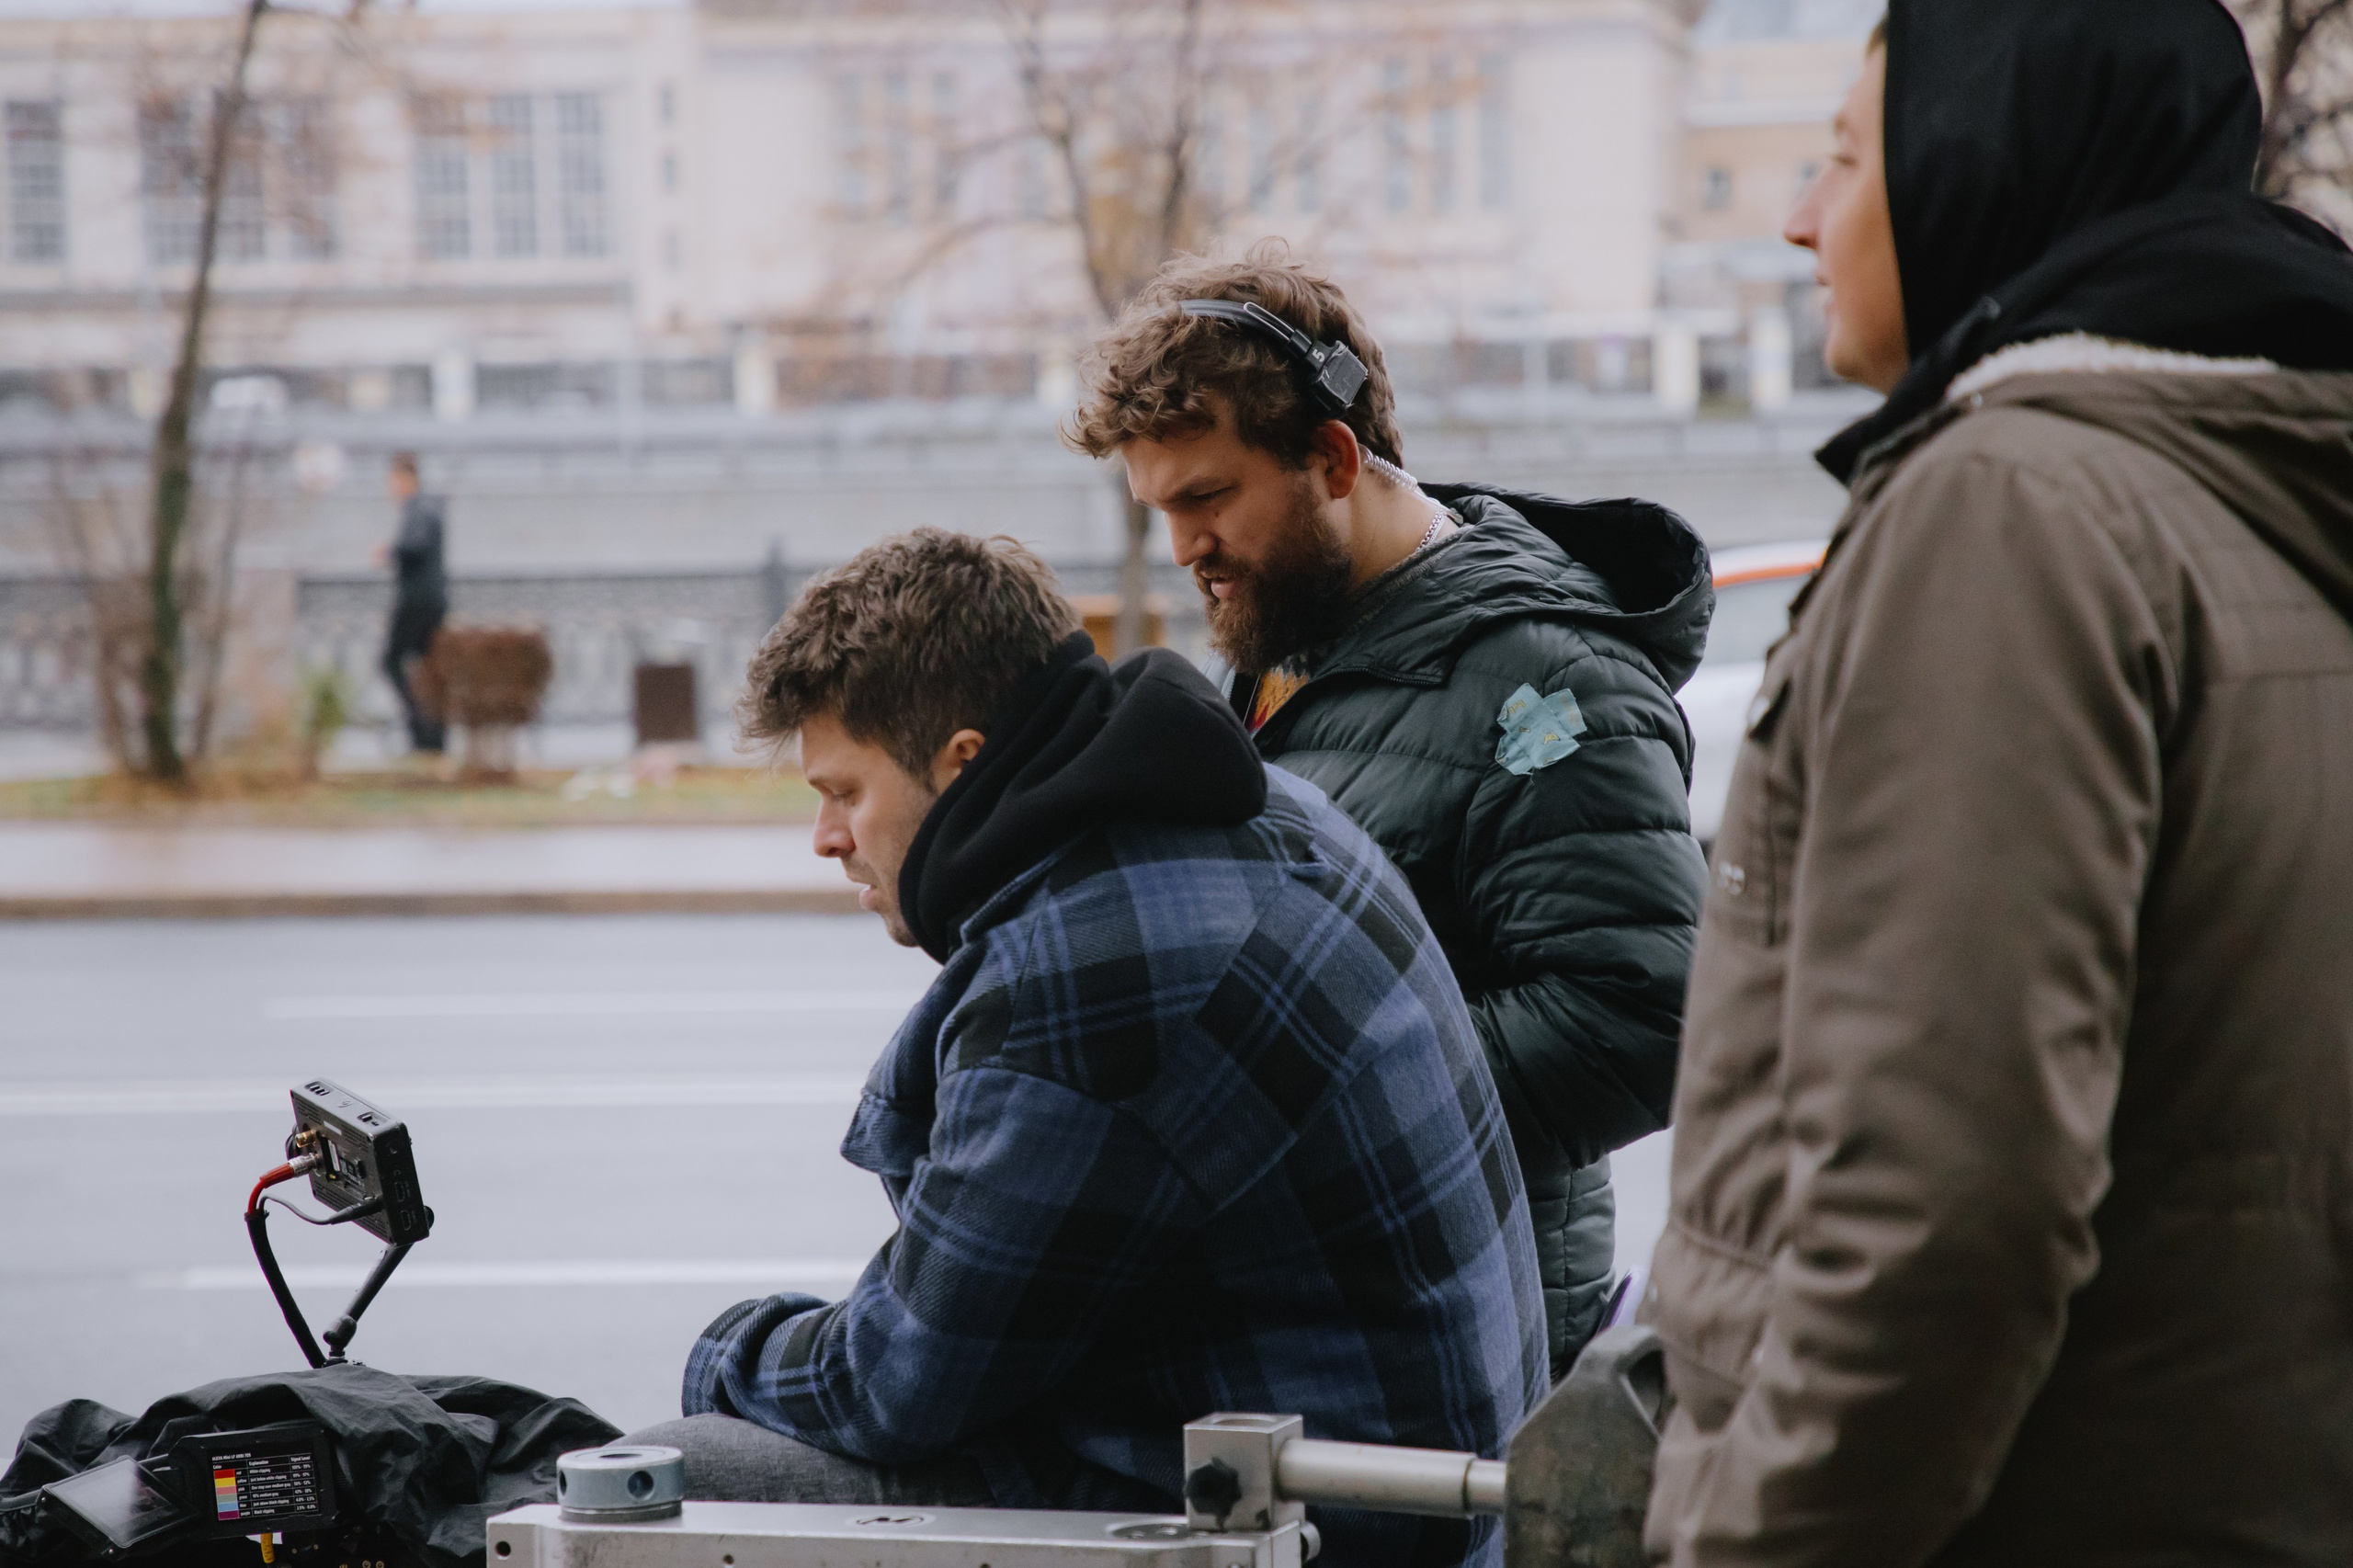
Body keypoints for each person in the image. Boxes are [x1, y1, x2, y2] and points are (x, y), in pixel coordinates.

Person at [1645, 3, 2353, 1562]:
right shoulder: (2254, 492)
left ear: (1977, 162)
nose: (1794, 218)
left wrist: (1757, 1537)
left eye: (1840, 156)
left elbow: (1941, 1209)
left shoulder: (2007, 512)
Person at [626, 530, 1547, 1568]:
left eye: (843, 791)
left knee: (656, 1483)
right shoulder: (1254, 805)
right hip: (1413, 1482)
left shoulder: (1083, 976)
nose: (826, 837)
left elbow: (896, 1382)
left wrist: (726, 1348)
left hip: (1324, 1525)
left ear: (961, 761)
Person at [1066, 252, 1712, 1378]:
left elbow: (1643, 1014)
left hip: (1461, 1343)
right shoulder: (1303, 628)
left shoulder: (1551, 679)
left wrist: (1303, 1120)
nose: (1182, 548)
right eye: (1159, 509)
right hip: (1342, 1314)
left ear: (1331, 457)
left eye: (1207, 496)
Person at [378, 450, 447, 756]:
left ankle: (422, 729)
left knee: (392, 661)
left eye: (393, 481)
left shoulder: (419, 507)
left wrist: (391, 552)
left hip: (418, 603)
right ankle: (429, 733)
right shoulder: (423, 506)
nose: (391, 488)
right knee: (426, 667)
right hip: (428, 601)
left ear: (406, 479)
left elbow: (416, 546)